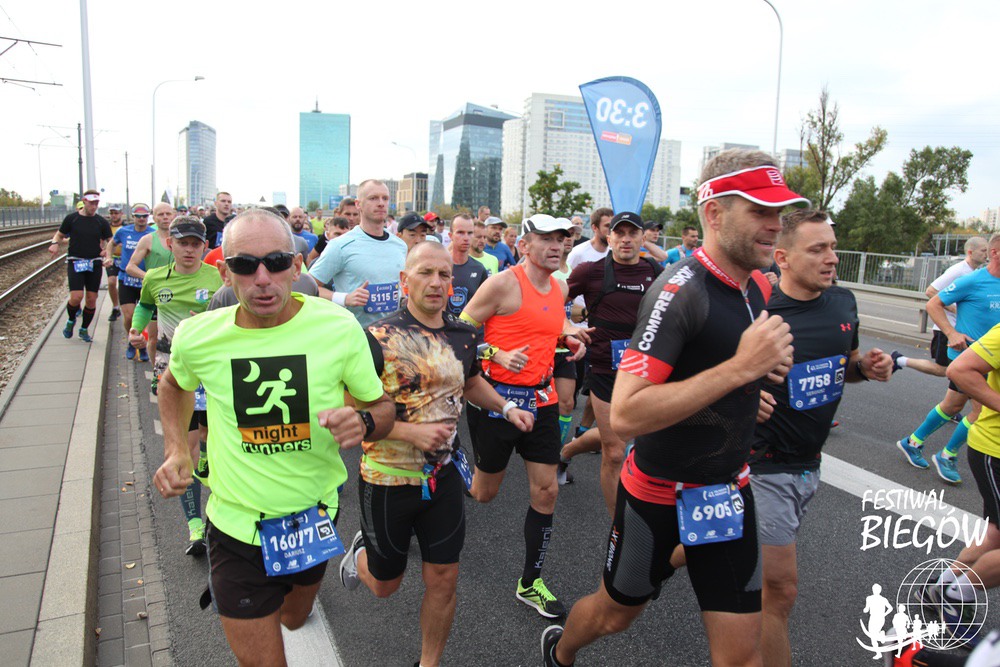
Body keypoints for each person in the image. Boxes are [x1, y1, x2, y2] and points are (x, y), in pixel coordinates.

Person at [541, 149, 801, 667]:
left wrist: (758, 378)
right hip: (658, 495)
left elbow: (716, 366)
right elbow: (628, 414)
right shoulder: (679, 290)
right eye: (760, 212)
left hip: (728, 489)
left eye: (779, 211)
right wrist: (740, 369)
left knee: (741, 654)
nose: (776, 225)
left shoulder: (757, 285)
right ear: (714, 214)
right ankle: (561, 650)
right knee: (615, 614)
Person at [152, 209, 393, 665]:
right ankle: (234, 590)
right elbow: (173, 385)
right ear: (225, 273)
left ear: (297, 266)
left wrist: (362, 423)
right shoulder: (197, 335)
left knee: (294, 617)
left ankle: (275, 598)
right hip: (233, 523)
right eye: (245, 265)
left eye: (277, 262)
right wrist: (177, 448)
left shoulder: (339, 328)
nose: (262, 279)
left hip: (310, 517)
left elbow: (382, 408)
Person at [339, 242, 534, 667]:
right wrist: (410, 432)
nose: (436, 282)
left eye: (444, 275)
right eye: (425, 273)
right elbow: (352, 414)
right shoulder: (376, 338)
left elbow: (471, 381)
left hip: (442, 476)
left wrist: (506, 407)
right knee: (386, 585)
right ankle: (360, 556)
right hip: (387, 478)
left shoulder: (463, 335)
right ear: (404, 280)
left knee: (444, 578)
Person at [748, 209, 892, 666]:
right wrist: (742, 395)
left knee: (722, 543)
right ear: (783, 258)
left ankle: (665, 553)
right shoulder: (758, 311)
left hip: (809, 464)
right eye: (818, 249)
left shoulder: (843, 302)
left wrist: (865, 368)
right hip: (761, 463)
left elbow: (844, 366)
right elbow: (707, 375)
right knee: (780, 591)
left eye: (832, 247)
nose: (832, 258)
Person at [461, 214, 588, 619]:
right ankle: (453, 465)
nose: (556, 246)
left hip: (542, 399)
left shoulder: (560, 285)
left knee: (546, 490)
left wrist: (568, 336)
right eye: (546, 239)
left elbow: (549, 322)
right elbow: (459, 332)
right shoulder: (502, 284)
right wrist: (495, 353)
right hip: (497, 401)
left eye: (561, 239)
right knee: (484, 493)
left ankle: (530, 582)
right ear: (525, 245)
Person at [130, 216, 223, 554]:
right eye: (182, 243)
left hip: (211, 367)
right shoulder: (154, 278)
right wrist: (136, 330)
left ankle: (218, 499)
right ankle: (195, 527)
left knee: (213, 438)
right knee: (184, 446)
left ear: (204, 246)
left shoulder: (218, 277)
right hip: (171, 367)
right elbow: (145, 307)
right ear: (170, 244)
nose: (189, 250)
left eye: (196, 244)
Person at [560, 211, 663, 515]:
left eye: (633, 233)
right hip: (605, 367)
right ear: (609, 237)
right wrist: (567, 328)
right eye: (620, 233)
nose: (626, 240)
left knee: (622, 436)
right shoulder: (590, 271)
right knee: (616, 452)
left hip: (644, 371)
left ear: (642, 238)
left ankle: (566, 451)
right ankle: (621, 531)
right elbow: (552, 301)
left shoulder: (655, 271)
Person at [896, 234, 1000, 484]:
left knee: (952, 406)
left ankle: (913, 442)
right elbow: (933, 303)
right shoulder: (973, 280)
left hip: (990, 360)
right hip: (969, 360)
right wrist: (951, 333)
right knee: (980, 411)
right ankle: (947, 455)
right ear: (995, 253)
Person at [310, 180, 408, 327]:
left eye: (385, 198)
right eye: (373, 198)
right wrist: (344, 298)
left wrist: (403, 299)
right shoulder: (341, 245)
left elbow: (398, 285)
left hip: (393, 334)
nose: (381, 203)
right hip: (356, 333)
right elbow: (309, 287)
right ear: (358, 204)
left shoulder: (400, 245)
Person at [892, 237, 988, 379]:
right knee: (943, 370)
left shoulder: (974, 272)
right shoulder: (958, 270)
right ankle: (899, 360)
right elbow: (931, 291)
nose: (986, 254)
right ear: (970, 252)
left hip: (961, 330)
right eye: (983, 250)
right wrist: (954, 308)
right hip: (946, 329)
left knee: (964, 370)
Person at [49, 189, 112, 343]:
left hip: (94, 262)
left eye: (96, 203)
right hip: (76, 261)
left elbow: (111, 240)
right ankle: (71, 320)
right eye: (91, 203)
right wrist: (55, 243)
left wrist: (107, 252)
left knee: (91, 299)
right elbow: (59, 234)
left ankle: (84, 329)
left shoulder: (101, 221)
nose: (94, 206)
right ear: (84, 201)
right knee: (76, 297)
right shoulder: (72, 219)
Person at [126, 202, 177, 388]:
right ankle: (158, 374)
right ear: (153, 218)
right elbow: (130, 267)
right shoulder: (148, 240)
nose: (165, 217)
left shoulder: (181, 239)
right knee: (155, 339)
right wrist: (149, 278)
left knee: (176, 338)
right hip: (156, 296)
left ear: (174, 215)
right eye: (160, 214)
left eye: (168, 214)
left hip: (178, 296)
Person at [112, 204, 154, 361]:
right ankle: (132, 341)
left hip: (145, 280)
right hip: (126, 279)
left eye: (144, 216)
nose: (141, 219)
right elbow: (111, 243)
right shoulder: (123, 231)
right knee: (129, 316)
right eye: (138, 216)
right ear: (133, 217)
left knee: (145, 318)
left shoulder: (152, 234)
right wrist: (108, 256)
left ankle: (142, 344)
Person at [447, 214, 488, 317]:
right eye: (460, 233)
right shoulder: (439, 267)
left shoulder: (479, 269)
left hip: (468, 326)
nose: (466, 238)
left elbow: (484, 305)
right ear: (450, 236)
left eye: (470, 233)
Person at [106, 204, 124, 322]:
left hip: (125, 259)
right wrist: (104, 252)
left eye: (116, 213)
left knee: (123, 284)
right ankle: (115, 307)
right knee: (111, 282)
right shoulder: (106, 227)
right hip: (113, 259)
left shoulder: (126, 227)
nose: (114, 216)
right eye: (112, 213)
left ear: (121, 214)